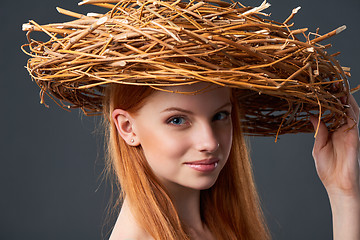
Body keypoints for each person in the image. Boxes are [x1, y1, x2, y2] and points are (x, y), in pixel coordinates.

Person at [21, 0, 360, 239]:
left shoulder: (222, 227)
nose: (210, 142)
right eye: (178, 120)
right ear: (127, 127)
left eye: (220, 115)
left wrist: (344, 193)